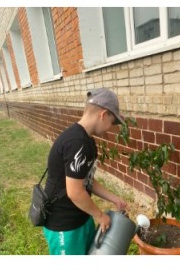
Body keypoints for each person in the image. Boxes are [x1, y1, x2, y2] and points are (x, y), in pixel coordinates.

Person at [42, 89, 129, 255]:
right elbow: (75, 192)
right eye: (112, 122)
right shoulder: (77, 142)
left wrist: (114, 199)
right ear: (103, 114)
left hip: (81, 217)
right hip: (64, 225)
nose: (110, 128)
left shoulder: (87, 141)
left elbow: (86, 180)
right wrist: (100, 215)